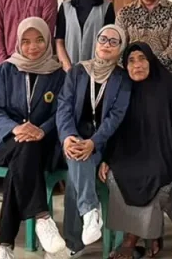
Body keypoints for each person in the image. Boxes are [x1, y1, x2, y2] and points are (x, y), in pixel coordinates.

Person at [0, 18, 67, 259]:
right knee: (25, 150)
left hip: (42, 141)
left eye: (39, 40)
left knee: (23, 158)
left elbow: (62, 112)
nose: (33, 47)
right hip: (2, 139)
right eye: (26, 41)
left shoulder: (57, 73)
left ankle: (5, 245)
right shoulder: (6, 69)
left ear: (47, 40)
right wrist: (16, 129)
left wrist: (42, 130)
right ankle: (43, 217)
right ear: (18, 43)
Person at [102, 43, 172, 259]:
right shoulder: (123, 89)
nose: (137, 65)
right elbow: (113, 127)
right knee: (115, 176)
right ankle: (150, 233)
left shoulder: (166, 87)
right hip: (129, 155)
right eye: (131, 61)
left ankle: (129, 241)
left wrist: (166, 158)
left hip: (165, 154)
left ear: (150, 61)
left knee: (153, 177)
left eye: (141, 59)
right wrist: (107, 158)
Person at [56, 24, 131, 248]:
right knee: (77, 155)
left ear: (120, 48)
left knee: (75, 171)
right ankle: (89, 211)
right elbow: (64, 107)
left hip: (105, 143)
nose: (107, 44)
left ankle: (73, 242)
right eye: (103, 39)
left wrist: (94, 142)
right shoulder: (78, 71)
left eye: (113, 41)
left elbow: (116, 117)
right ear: (95, 43)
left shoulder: (122, 78)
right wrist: (68, 136)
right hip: (73, 139)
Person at [56, 0, 115, 71]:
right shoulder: (65, 7)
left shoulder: (106, 7)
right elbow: (59, 41)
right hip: (69, 72)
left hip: (97, 71)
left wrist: (99, 67)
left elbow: (110, 43)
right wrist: (68, 68)